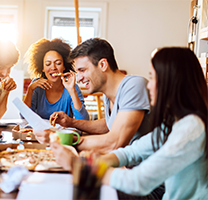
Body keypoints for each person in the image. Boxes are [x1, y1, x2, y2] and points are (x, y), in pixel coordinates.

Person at [53, 47, 208, 199]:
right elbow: (132, 152)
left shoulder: (191, 128)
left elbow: (138, 181)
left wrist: (81, 167)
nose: (149, 84)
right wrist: (97, 161)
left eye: (153, 77)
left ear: (173, 81)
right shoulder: (174, 123)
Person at [36, 38, 150, 154]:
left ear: (103, 65)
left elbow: (114, 142)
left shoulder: (134, 86)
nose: (79, 78)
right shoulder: (108, 95)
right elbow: (108, 125)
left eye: (83, 70)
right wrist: (71, 122)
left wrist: (62, 139)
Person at [23, 38, 89, 120]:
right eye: (48, 64)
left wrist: (72, 91)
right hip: (41, 132)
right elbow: (24, 117)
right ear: (42, 68)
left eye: (58, 63)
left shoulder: (72, 87)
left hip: (63, 132)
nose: (53, 68)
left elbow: (83, 120)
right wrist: (30, 90)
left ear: (64, 66)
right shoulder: (36, 87)